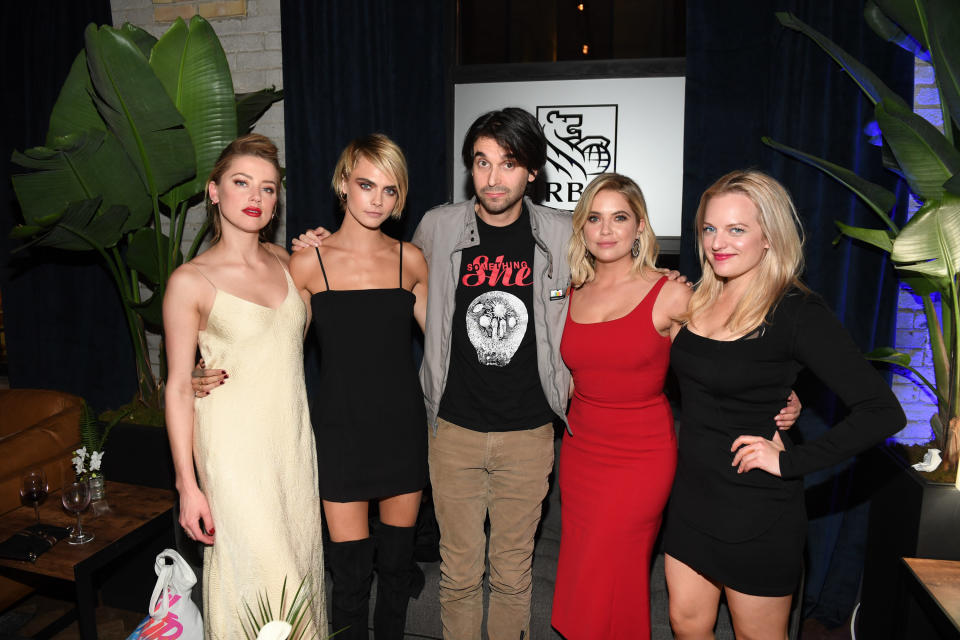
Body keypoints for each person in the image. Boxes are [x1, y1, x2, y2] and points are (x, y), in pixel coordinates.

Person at [662, 170, 905, 639]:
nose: (718, 243)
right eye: (710, 229)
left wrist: (791, 461)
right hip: (691, 499)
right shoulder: (697, 299)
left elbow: (883, 411)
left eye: (737, 230)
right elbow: (723, 374)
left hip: (757, 510)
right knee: (685, 625)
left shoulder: (795, 311)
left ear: (769, 237)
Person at [163, 134, 325, 639]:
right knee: (258, 576)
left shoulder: (286, 259)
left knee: (300, 569)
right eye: (241, 183)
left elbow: (289, 343)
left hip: (293, 445)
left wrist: (321, 252)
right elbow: (175, 388)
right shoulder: (190, 281)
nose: (256, 197)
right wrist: (187, 486)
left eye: (268, 188)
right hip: (233, 453)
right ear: (214, 191)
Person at [287, 134, 429, 640]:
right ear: (343, 183)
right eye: (366, 184)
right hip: (341, 435)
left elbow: (448, 350)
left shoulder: (410, 260)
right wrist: (203, 368)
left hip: (402, 435)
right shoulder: (307, 263)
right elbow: (272, 351)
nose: (377, 199)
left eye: (390, 190)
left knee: (394, 575)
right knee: (348, 581)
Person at [550, 173, 690, 639]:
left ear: (640, 227)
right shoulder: (567, 294)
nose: (606, 230)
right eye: (595, 218)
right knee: (583, 569)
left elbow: (724, 360)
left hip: (642, 456)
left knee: (619, 570)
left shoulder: (670, 292)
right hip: (581, 450)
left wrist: (779, 397)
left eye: (619, 218)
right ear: (581, 228)